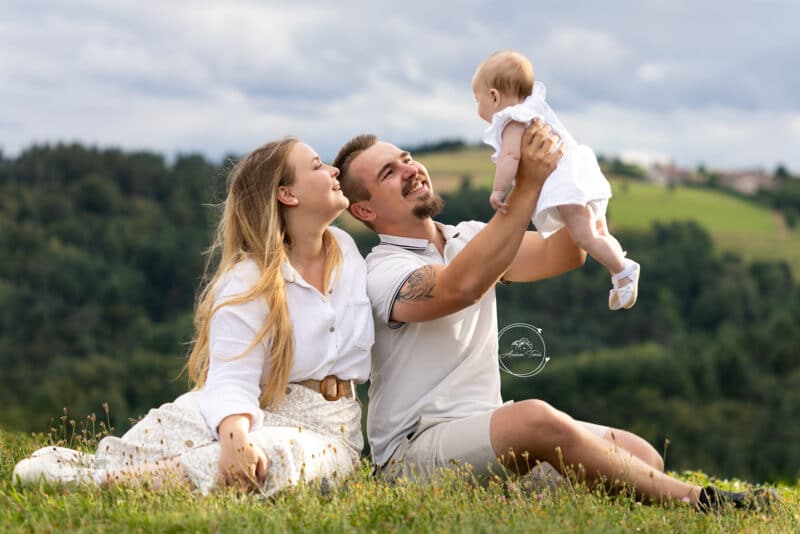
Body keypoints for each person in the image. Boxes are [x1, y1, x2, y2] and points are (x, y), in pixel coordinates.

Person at [333, 122, 775, 510]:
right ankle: (701, 503)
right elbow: (459, 288)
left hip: (484, 433)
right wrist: (526, 185)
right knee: (536, 418)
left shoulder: (468, 237)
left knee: (643, 457)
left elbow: (562, 253)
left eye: (407, 159)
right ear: (365, 211)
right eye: (390, 173)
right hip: (412, 453)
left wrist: (567, 176)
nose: (411, 169)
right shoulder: (382, 271)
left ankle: (508, 493)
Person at [13, 137, 374, 496]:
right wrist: (235, 436)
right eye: (317, 166)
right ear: (287, 195)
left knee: (277, 455)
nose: (333, 170)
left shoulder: (346, 252)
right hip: (250, 408)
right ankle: (94, 474)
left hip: (326, 429)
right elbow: (231, 378)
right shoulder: (250, 279)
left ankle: (99, 488)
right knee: (133, 449)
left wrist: (238, 447)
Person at [474, 50, 639, 310]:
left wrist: (498, 190)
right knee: (600, 231)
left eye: (478, 100)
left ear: (493, 96)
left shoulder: (512, 120)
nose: (478, 109)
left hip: (566, 184)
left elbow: (510, 156)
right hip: (581, 169)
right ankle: (621, 273)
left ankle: (621, 270)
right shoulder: (534, 107)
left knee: (584, 237)